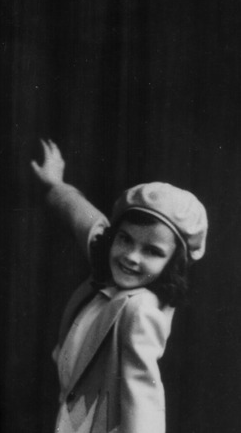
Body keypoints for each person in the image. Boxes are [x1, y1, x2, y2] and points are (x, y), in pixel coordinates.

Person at [31, 139, 207, 432]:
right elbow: (86, 220)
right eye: (125, 239)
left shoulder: (141, 311)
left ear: (172, 263)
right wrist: (56, 184)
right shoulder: (110, 259)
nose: (131, 257)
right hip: (70, 411)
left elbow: (143, 395)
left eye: (152, 251)